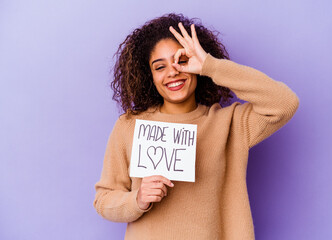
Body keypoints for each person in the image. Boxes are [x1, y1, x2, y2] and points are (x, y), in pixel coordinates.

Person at [93, 13, 299, 240]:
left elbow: (284, 103)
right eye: (159, 67)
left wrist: (210, 66)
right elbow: (104, 200)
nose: (172, 72)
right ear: (149, 76)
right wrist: (138, 199)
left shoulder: (230, 124)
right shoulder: (129, 126)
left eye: (181, 61)